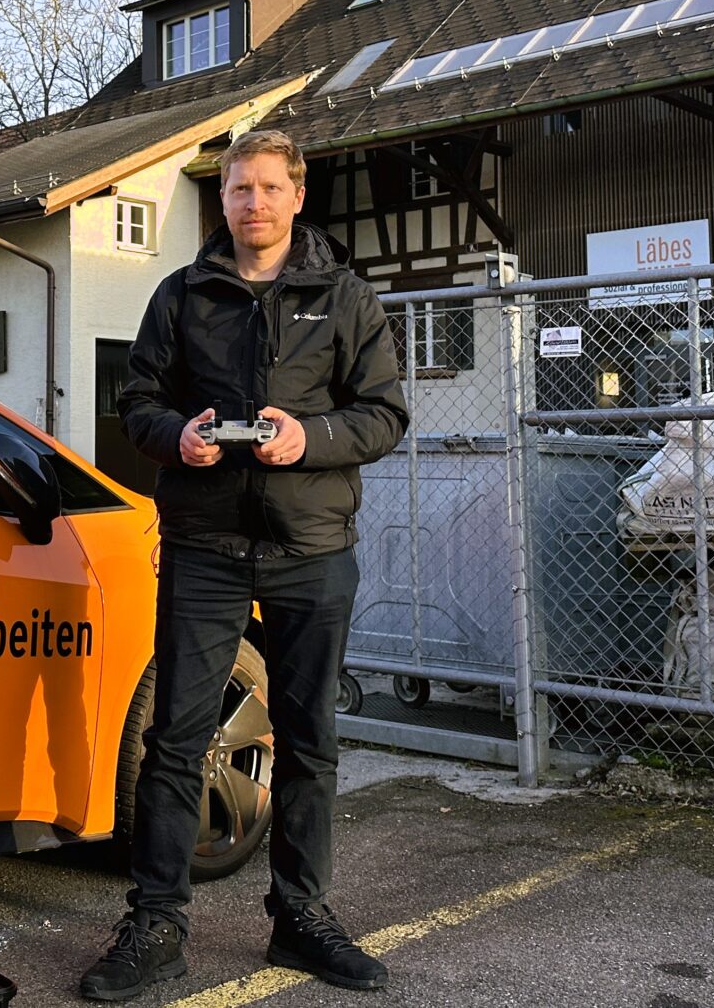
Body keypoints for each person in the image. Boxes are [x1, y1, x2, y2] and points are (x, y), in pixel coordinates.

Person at [80, 128, 409, 999]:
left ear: (298, 197)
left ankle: (300, 919)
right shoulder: (183, 294)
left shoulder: (343, 298)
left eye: (268, 188)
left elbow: (383, 416)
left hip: (312, 549)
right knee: (176, 740)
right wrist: (174, 436)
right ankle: (157, 922)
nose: (252, 203)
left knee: (310, 742)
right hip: (206, 549)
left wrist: (310, 439)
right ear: (221, 200)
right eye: (237, 190)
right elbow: (137, 399)